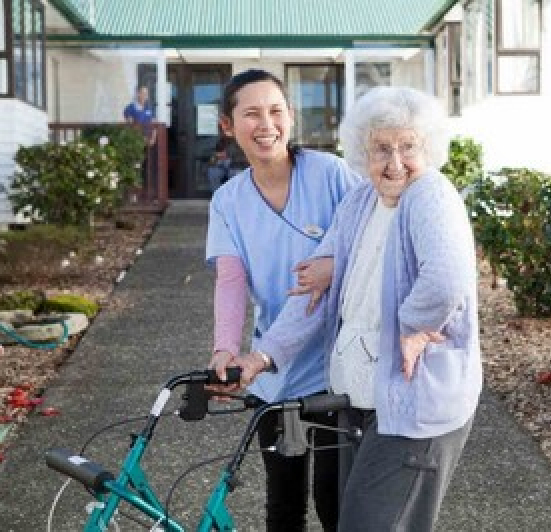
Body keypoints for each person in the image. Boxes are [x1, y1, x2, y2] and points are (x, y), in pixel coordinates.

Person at [232, 86, 483, 531]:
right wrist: (266, 355)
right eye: (381, 148)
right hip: (362, 399)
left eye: (408, 146)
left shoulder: (429, 195)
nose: (394, 162)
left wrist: (418, 327)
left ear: (428, 147)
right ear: (362, 152)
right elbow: (313, 293)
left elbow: (448, 277)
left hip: (413, 403)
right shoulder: (359, 202)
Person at [205, 68, 361, 532]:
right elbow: (230, 280)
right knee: (283, 506)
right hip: (271, 366)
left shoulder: (330, 174)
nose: (266, 124)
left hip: (338, 365)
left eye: (275, 111)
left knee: (335, 503)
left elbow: (375, 235)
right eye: (251, 113)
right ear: (228, 126)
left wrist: (336, 265)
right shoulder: (228, 201)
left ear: (291, 118)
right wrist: (224, 350)